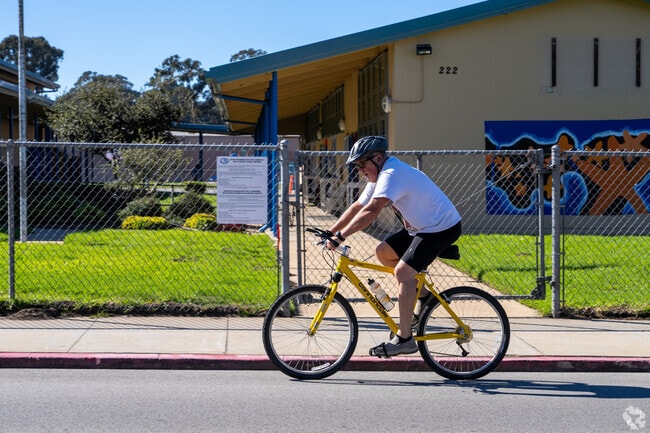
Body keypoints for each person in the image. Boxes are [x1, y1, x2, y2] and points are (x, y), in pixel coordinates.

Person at [324, 136, 462, 357]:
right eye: (357, 166)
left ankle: (405, 338)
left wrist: (341, 237)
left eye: (362, 164)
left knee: (403, 273)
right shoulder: (378, 177)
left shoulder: (391, 174)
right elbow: (359, 206)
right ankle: (425, 298)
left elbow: (372, 211)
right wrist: (331, 232)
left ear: (378, 158)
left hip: (440, 227)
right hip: (420, 227)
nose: (360, 170)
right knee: (383, 253)